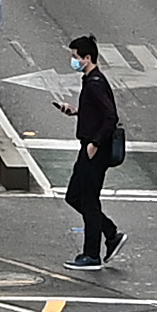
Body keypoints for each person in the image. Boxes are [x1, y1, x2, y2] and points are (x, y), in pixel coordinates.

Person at [55, 32, 127, 268]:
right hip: (89, 147)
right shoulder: (91, 81)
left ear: (87, 58)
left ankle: (92, 254)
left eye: (76, 57)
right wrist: (75, 111)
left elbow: (110, 117)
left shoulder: (95, 83)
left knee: (88, 199)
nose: (73, 61)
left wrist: (94, 143)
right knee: (74, 196)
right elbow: (97, 113)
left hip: (94, 150)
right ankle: (110, 232)